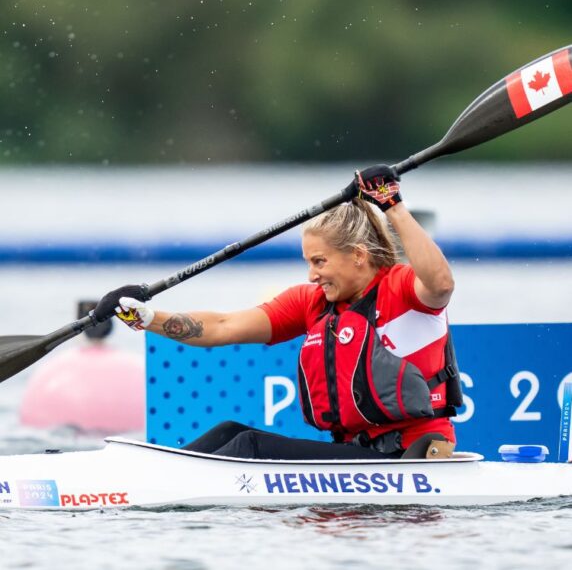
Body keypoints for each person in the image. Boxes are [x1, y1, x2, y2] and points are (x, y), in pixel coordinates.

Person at [94, 165, 462, 460]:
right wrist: (144, 317)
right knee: (229, 432)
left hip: (414, 456)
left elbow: (442, 284)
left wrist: (392, 204)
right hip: (359, 455)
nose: (312, 274)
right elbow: (222, 327)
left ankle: (150, 485)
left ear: (359, 256)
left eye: (319, 261)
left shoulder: (402, 289)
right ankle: (150, 477)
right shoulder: (312, 303)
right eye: (308, 262)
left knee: (251, 446)